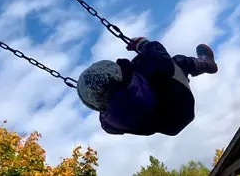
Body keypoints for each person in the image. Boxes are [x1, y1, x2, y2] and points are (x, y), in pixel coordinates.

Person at [77, 37, 218, 136]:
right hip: (181, 102)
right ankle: (205, 64)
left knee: (158, 78)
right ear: (118, 73)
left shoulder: (109, 122)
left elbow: (108, 121)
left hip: (170, 126)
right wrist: (144, 44)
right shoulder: (140, 79)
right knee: (178, 62)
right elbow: (161, 58)